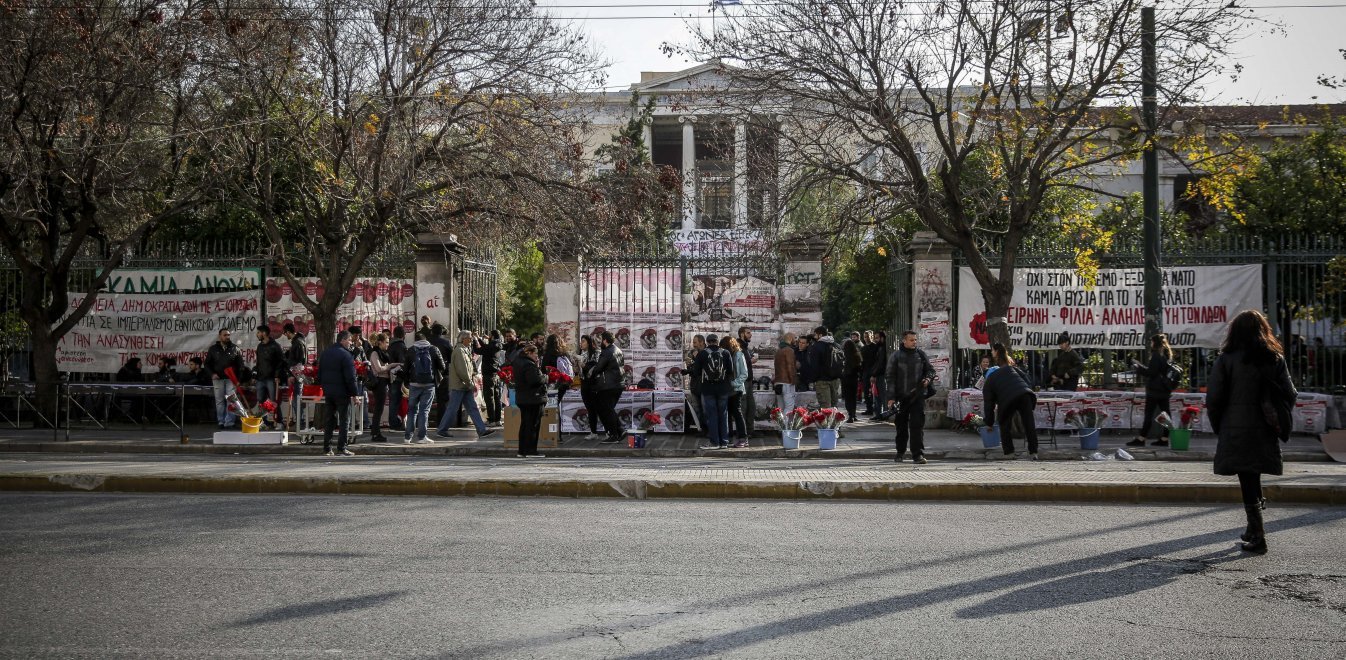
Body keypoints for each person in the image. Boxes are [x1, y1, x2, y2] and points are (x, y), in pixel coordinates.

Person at [1207, 310, 1297, 555]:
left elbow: (1214, 397)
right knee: (1252, 475)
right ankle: (1252, 528)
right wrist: (1277, 415)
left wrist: (1220, 425)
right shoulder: (1274, 357)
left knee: (1247, 477)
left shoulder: (1226, 359)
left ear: (1234, 331)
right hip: (1264, 427)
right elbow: (1291, 393)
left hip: (1235, 427)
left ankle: (1258, 536)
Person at [982, 342, 1040, 460]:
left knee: (1004, 423)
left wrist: (989, 422)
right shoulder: (1012, 369)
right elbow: (1027, 381)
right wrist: (1026, 391)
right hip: (1025, 395)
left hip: (1009, 399)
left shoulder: (989, 380)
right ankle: (1033, 452)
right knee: (1029, 424)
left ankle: (1009, 453)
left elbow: (989, 404)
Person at [885, 330, 936, 463]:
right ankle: (900, 452)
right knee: (901, 427)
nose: (914, 342)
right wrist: (891, 397)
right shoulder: (896, 356)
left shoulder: (920, 354)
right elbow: (890, 378)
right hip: (901, 398)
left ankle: (917, 454)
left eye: (915, 340)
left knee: (917, 426)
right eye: (911, 340)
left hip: (917, 396)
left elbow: (931, 370)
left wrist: (927, 379)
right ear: (904, 341)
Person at [436, 330, 495, 439]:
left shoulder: (464, 350)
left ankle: (481, 430)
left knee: (472, 408)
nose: (471, 339)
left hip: (465, 385)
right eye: (469, 338)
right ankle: (442, 429)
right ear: (463, 339)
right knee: (452, 409)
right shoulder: (459, 351)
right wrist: (470, 383)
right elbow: (462, 370)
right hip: (460, 385)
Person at [1129, 333, 1176, 447]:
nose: (1150, 344)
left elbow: (1152, 373)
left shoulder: (1156, 355)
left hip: (1154, 391)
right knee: (1166, 415)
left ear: (1154, 343)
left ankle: (1141, 439)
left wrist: (1138, 368)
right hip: (1164, 390)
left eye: (1151, 342)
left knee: (1149, 415)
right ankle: (1164, 439)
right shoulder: (1166, 354)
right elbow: (1157, 371)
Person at [317, 331, 360, 456]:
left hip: (329, 392)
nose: (351, 343)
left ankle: (327, 448)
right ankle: (341, 447)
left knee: (330, 420)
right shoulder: (346, 355)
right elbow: (351, 377)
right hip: (342, 393)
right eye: (349, 340)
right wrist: (355, 394)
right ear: (343, 340)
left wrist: (325, 387)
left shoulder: (325, 353)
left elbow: (319, 375)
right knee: (344, 420)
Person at [402, 330, 446, 444]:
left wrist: (407, 381)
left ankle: (408, 437)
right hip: (429, 384)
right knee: (424, 410)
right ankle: (422, 437)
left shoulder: (411, 350)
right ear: (425, 339)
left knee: (412, 410)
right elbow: (443, 366)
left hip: (414, 384)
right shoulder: (433, 349)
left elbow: (405, 369)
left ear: (415, 340)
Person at [693, 333, 733, 450]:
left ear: (707, 342)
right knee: (723, 414)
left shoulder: (703, 353)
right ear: (717, 341)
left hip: (708, 389)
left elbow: (696, 372)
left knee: (712, 415)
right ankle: (724, 441)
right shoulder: (726, 353)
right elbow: (730, 370)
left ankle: (714, 442)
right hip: (723, 389)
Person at [512, 343, 548, 458]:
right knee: (532, 425)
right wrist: (546, 377)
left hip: (524, 398)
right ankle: (531, 450)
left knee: (525, 425)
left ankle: (522, 450)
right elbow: (534, 380)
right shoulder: (528, 365)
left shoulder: (518, 361)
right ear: (530, 353)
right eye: (535, 354)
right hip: (533, 398)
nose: (537, 356)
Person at [206, 329, 244, 429]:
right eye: (225, 335)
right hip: (217, 379)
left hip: (231, 379)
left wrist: (238, 380)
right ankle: (221, 422)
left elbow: (240, 365)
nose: (227, 337)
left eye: (228, 335)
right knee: (219, 401)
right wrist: (212, 374)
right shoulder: (213, 349)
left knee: (231, 401)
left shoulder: (235, 348)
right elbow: (207, 364)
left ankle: (229, 422)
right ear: (220, 336)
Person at [593, 331, 626, 443]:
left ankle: (614, 435)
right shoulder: (618, 350)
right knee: (608, 409)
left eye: (601, 340)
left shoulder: (607, 351)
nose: (600, 342)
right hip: (618, 384)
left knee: (607, 410)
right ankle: (620, 431)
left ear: (605, 341)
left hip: (609, 386)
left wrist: (590, 371)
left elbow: (598, 368)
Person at [253, 326, 286, 430]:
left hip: (271, 378)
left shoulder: (275, 346)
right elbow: (258, 362)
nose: (257, 334)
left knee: (273, 401)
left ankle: (279, 422)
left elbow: (281, 362)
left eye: (258, 332)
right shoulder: (259, 346)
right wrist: (255, 374)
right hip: (260, 378)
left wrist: (277, 375)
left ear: (264, 333)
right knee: (261, 400)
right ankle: (265, 422)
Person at [366, 332, 393, 442]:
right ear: (380, 342)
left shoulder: (382, 353)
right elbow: (378, 368)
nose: (387, 345)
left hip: (384, 382)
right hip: (379, 383)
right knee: (378, 408)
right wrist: (391, 366)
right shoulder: (375, 353)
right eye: (386, 342)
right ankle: (376, 433)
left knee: (379, 408)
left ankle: (376, 432)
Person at [475, 329, 505, 426]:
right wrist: (480, 339)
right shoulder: (497, 345)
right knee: (497, 397)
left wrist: (475, 340)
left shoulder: (491, 346)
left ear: (491, 336)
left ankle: (491, 419)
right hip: (496, 374)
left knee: (489, 397)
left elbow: (478, 350)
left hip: (488, 375)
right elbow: (486, 347)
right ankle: (497, 419)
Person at [723, 336, 749, 448]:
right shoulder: (726, 355)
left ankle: (743, 437)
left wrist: (734, 383)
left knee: (737, 413)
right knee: (727, 414)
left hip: (736, 389)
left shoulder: (739, 355)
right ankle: (728, 437)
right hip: (726, 389)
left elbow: (744, 374)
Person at [282, 323, 308, 431]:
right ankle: (299, 421)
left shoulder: (297, 343)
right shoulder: (298, 342)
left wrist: (292, 374)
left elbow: (298, 361)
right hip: (298, 374)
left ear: (288, 332)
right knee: (297, 398)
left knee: (297, 398)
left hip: (297, 374)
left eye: (285, 333)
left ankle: (300, 423)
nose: (285, 335)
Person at [808, 326, 842, 407]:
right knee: (834, 406)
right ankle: (834, 420)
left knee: (825, 407)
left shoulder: (816, 346)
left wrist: (813, 380)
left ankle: (827, 420)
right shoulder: (836, 345)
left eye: (815, 335)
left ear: (820, 335)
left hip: (822, 380)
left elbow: (814, 365)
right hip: (835, 379)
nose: (814, 337)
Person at [577, 334, 603, 440]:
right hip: (584, 383)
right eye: (581, 341)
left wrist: (584, 366)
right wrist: (576, 366)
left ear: (589, 343)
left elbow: (596, 368)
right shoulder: (581, 354)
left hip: (594, 384)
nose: (581, 343)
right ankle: (593, 432)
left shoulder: (596, 353)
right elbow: (579, 372)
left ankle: (610, 431)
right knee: (590, 409)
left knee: (599, 408)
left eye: (583, 341)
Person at [683, 334, 707, 431]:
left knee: (705, 409)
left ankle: (707, 430)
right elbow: (693, 370)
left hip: (704, 386)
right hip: (695, 386)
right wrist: (689, 366)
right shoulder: (692, 353)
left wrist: (695, 361)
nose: (694, 344)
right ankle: (701, 428)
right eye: (693, 342)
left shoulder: (706, 353)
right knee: (697, 408)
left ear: (702, 342)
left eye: (695, 342)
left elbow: (703, 369)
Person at [386, 326, 408, 432]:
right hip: (398, 377)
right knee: (396, 400)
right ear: (403, 335)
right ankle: (394, 423)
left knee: (393, 400)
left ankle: (393, 422)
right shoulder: (401, 346)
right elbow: (402, 363)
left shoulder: (389, 345)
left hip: (390, 376)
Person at [736, 327, 756, 436]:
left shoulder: (745, 346)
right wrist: (750, 360)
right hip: (742, 381)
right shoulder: (738, 346)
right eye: (748, 333)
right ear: (742, 334)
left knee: (751, 407)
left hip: (748, 381)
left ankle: (749, 430)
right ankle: (742, 432)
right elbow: (738, 361)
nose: (750, 335)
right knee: (743, 407)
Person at [842, 331, 864, 424]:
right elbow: (860, 368)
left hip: (846, 379)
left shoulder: (844, 358)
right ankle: (853, 415)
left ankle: (850, 414)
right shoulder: (857, 357)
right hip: (854, 379)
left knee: (847, 398)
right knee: (853, 397)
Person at [774, 332, 798, 411]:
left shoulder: (778, 351)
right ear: (790, 339)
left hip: (778, 382)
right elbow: (790, 366)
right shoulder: (789, 350)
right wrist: (793, 381)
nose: (795, 340)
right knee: (789, 407)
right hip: (787, 382)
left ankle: (781, 423)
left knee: (780, 408)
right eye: (795, 338)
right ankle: (785, 423)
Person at [869, 331, 889, 419]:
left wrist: (874, 374)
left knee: (882, 395)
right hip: (878, 374)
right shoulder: (878, 348)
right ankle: (878, 414)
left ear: (882, 338)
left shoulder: (883, 348)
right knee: (876, 395)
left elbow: (880, 363)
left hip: (881, 374)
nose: (875, 340)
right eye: (875, 337)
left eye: (877, 338)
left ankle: (884, 414)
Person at [859, 331, 879, 414]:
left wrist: (874, 373)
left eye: (868, 336)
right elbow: (862, 361)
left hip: (873, 371)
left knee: (874, 392)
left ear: (872, 336)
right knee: (867, 391)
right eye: (865, 337)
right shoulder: (863, 348)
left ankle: (876, 408)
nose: (866, 338)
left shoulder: (875, 347)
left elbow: (877, 360)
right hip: (865, 372)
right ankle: (869, 408)